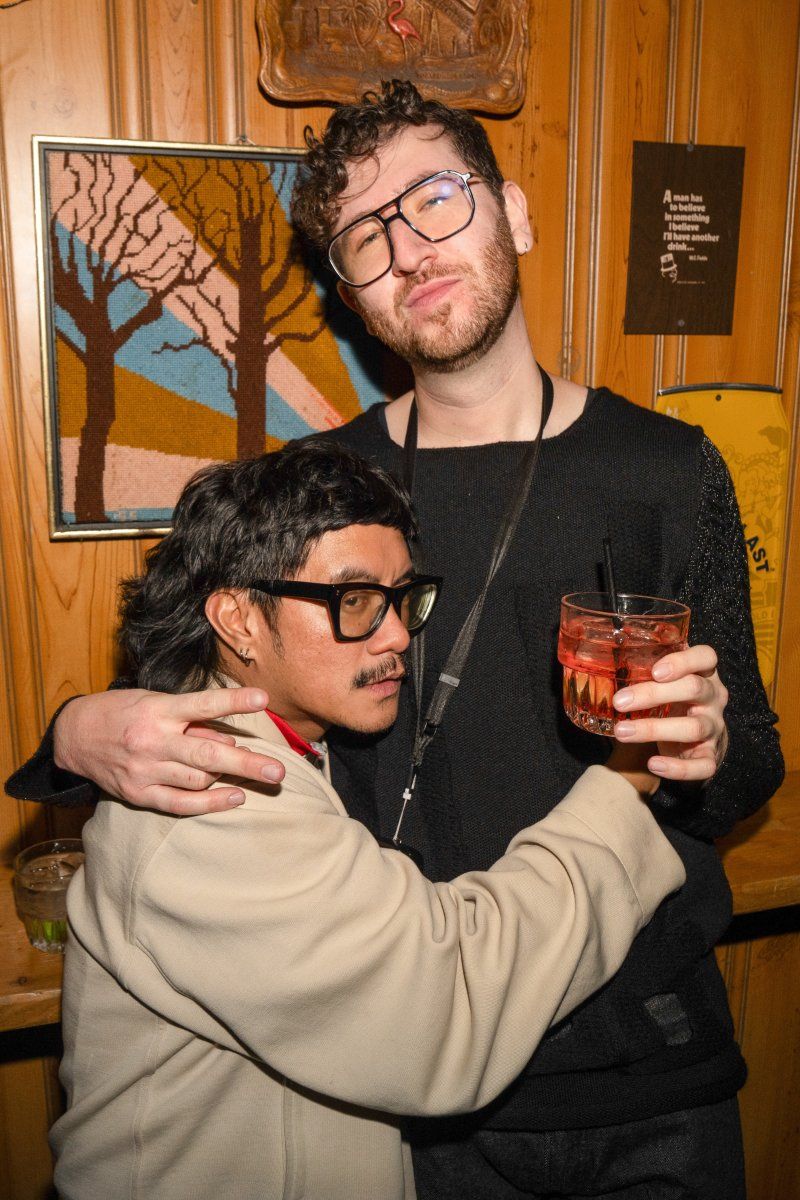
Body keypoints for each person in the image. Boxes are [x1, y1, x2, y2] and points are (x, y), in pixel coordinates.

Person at [7, 81, 783, 1198]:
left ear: (514, 212)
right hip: (408, 1098)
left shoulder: (668, 468)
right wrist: (77, 727)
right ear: (350, 293)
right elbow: (198, 698)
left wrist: (702, 753)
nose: (409, 249)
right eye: (365, 239)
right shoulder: (325, 492)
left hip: (651, 1072)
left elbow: (748, 763)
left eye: (435, 198)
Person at [49, 440, 686, 1200]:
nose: (397, 636)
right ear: (237, 619)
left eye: (401, 597)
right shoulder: (208, 797)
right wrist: (626, 780)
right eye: (352, 600)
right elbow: (447, 1004)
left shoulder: (259, 744)